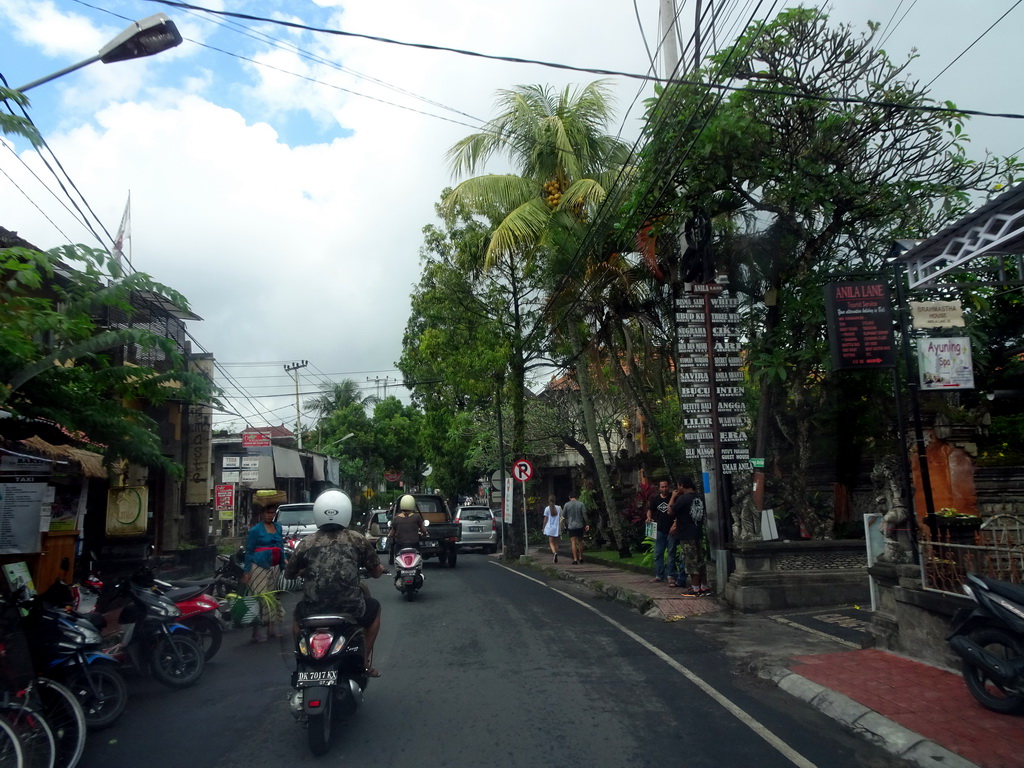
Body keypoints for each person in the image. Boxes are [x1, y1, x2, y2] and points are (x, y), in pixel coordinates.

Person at [283, 488, 386, 676]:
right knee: (375, 609)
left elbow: (289, 574)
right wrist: (379, 570)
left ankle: (302, 660)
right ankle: (363, 663)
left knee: (297, 619)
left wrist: (302, 570)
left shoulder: (306, 543)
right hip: (350, 608)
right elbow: (375, 570)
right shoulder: (357, 539)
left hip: (313, 609)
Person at [242, 497, 287, 642]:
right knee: (260, 598)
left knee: (272, 597)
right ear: (262, 514)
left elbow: (280, 547)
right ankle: (256, 632)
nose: (270, 515)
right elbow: (249, 551)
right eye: (268, 513)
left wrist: (284, 563)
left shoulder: (278, 527)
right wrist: (247, 571)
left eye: (272, 513)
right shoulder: (255, 530)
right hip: (258, 566)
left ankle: (271, 629)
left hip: (274, 566)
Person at [669, 476, 710, 596]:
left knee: (691, 562)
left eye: (678, 485)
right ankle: (704, 587)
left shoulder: (683, 499)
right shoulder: (699, 497)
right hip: (697, 532)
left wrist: (672, 497)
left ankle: (695, 588)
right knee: (700, 561)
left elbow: (670, 511)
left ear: (682, 485)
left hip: (686, 534)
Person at [646, 479, 679, 585]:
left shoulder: (674, 497)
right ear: (659, 488)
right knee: (658, 553)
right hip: (660, 529)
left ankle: (670, 575)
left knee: (671, 553)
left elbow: (678, 512)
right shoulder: (655, 499)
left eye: (666, 486)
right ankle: (659, 575)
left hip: (671, 530)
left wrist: (675, 524)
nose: (664, 488)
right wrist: (649, 517)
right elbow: (650, 509)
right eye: (662, 487)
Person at [389, 494, 427, 564]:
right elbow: (423, 530)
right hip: (414, 544)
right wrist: (424, 534)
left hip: (400, 545)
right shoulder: (417, 517)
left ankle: (399, 572)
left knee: (397, 559)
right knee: (419, 559)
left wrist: (391, 536)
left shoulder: (396, 519)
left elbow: (392, 534)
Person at [562, 492, 589, 564]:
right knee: (580, 541)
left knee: (573, 542)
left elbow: (563, 515)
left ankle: (575, 559)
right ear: (576, 497)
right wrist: (587, 524)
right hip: (580, 525)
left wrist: (563, 523)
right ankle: (581, 557)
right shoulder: (581, 504)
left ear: (569, 497)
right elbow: (584, 514)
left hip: (571, 526)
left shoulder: (567, 504)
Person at [542, 495, 562, 563]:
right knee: (556, 542)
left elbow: (545, 519)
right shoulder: (558, 508)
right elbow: (561, 517)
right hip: (557, 527)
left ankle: (554, 553)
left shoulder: (547, 508)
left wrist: (543, 527)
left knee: (551, 542)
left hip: (550, 527)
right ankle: (556, 554)